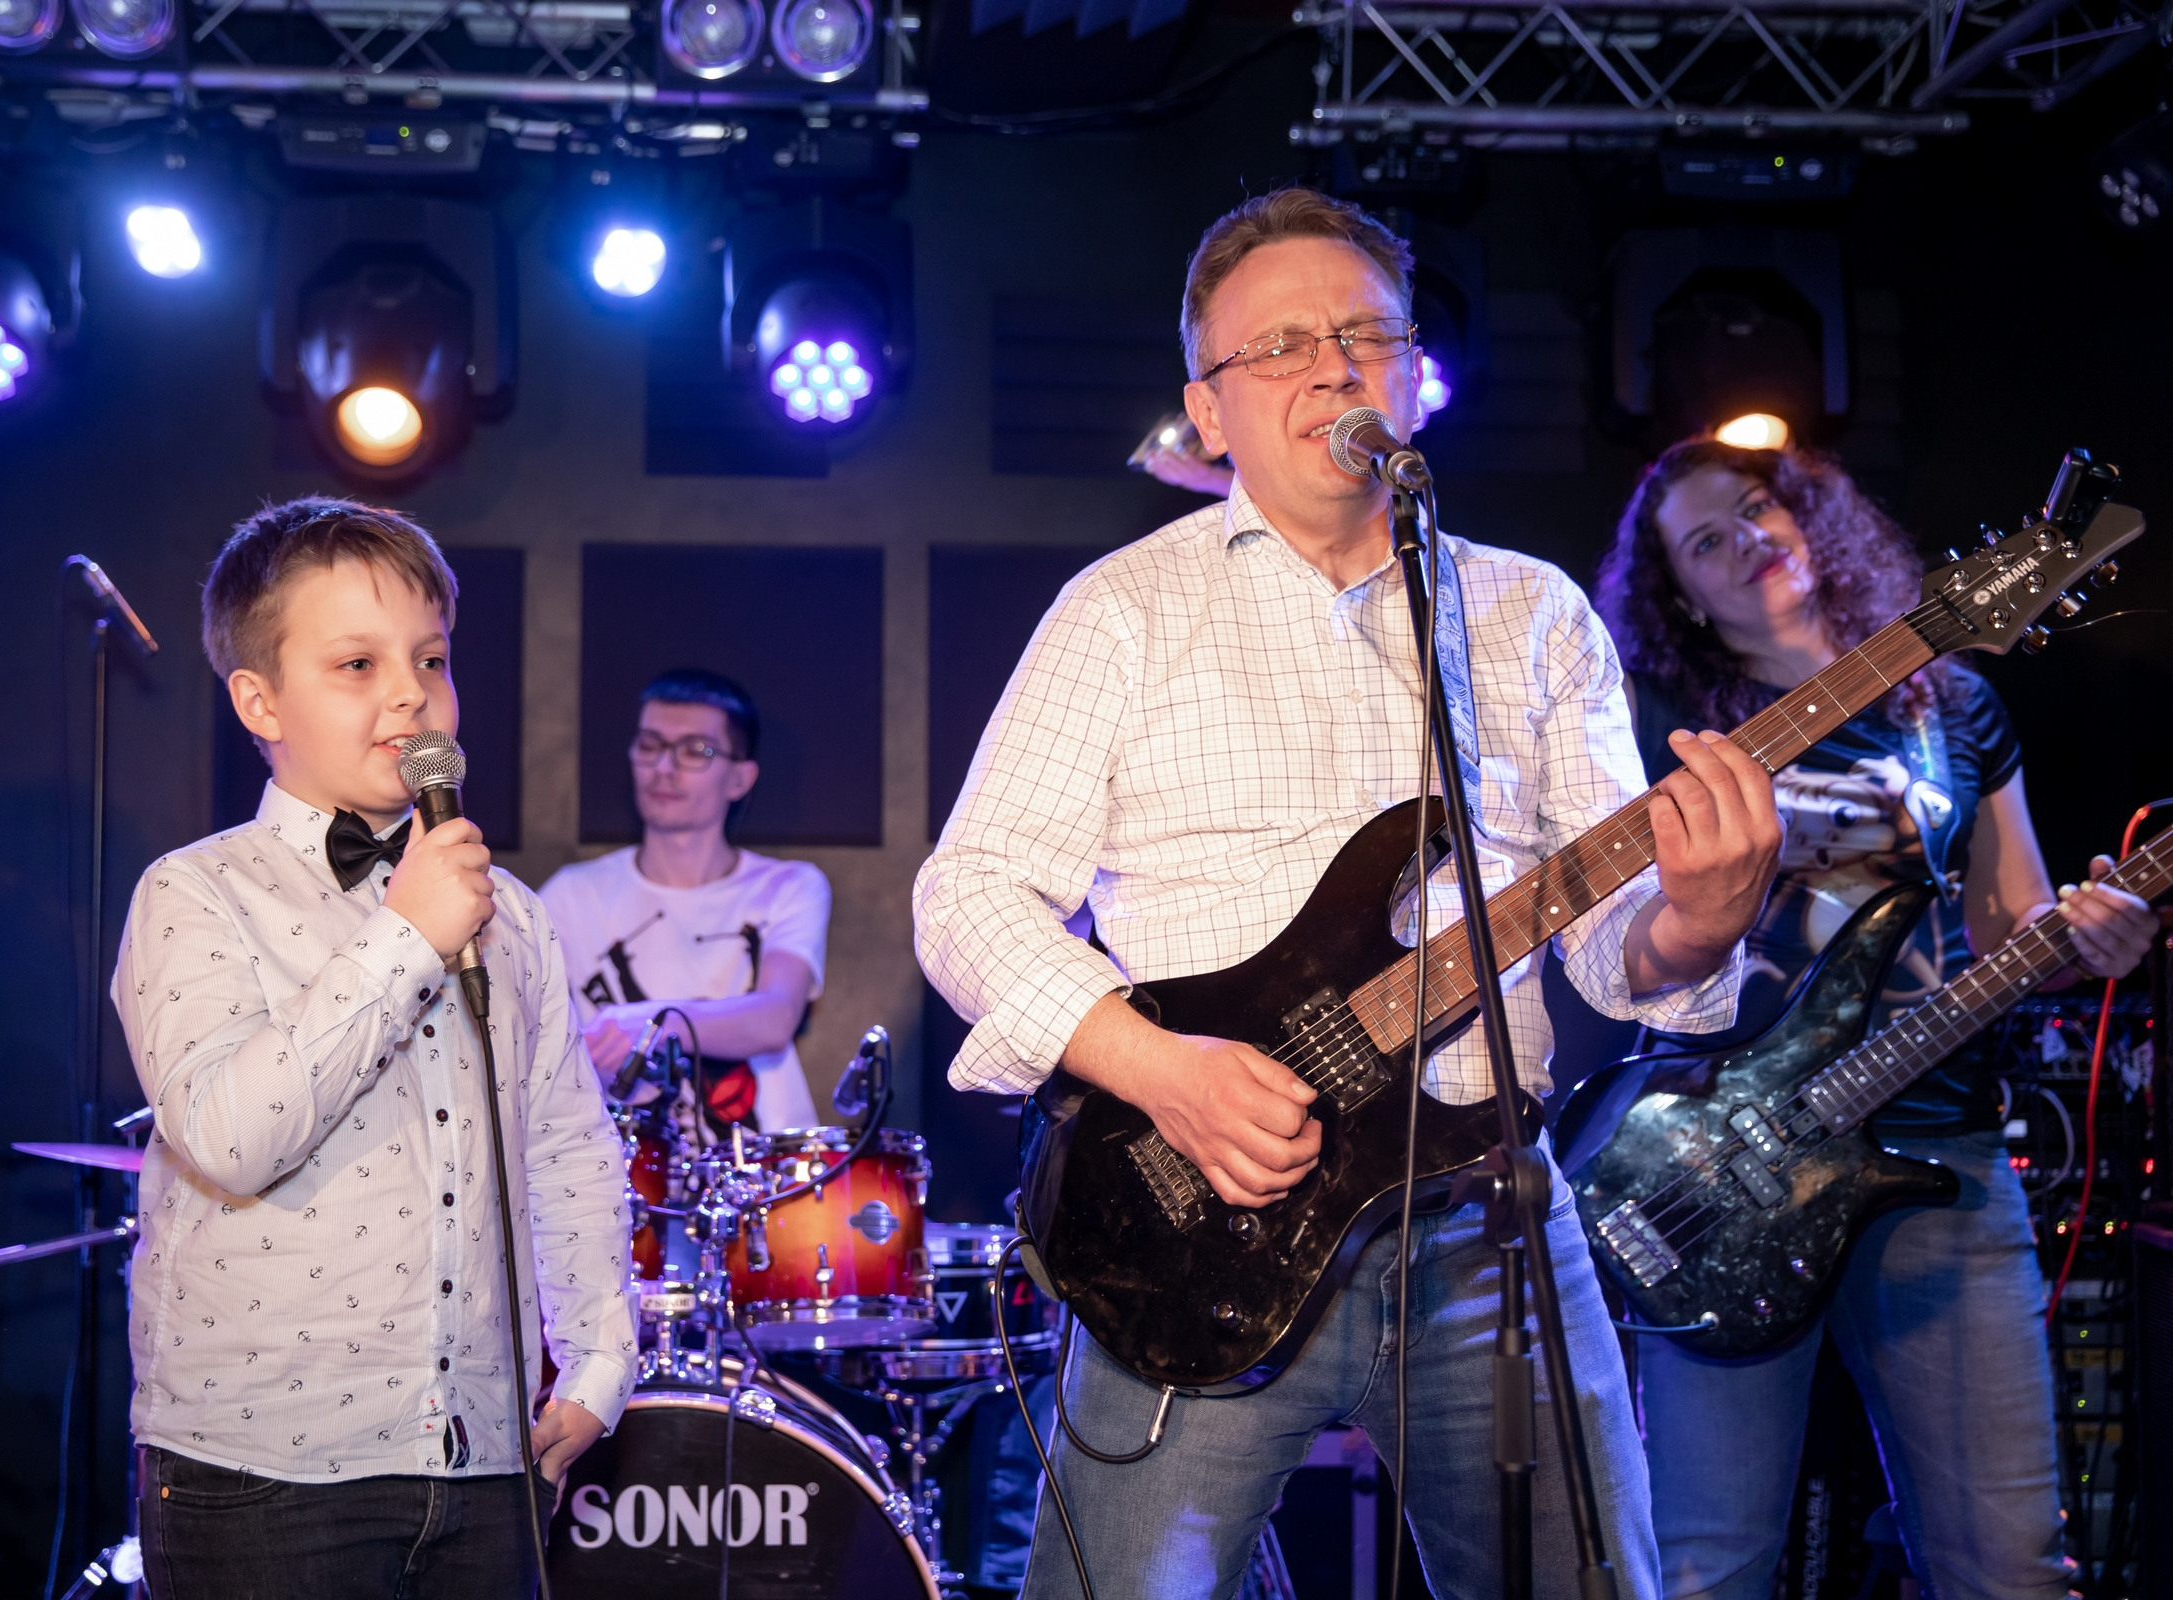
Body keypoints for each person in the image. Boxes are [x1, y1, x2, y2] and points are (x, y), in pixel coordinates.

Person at [914, 186, 1787, 1600]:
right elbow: (967, 900)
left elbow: (1628, 949)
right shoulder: (1120, 611)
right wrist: (1166, 1072)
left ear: (1416, 378)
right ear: (1208, 412)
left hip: (1486, 1221)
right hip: (1201, 1209)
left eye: (1367, 334)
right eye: (1282, 346)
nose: (1333, 364)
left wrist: (1707, 908)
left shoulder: (1528, 613)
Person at [1593, 437, 2156, 1600]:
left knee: (2008, 1569)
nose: (1748, 540)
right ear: (1678, 598)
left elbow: (2011, 928)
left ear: (1807, 518)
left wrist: (2092, 932)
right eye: (1707, 540)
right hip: (1723, 1177)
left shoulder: (1953, 700)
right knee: (1707, 1568)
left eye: (1757, 508)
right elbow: (1619, 957)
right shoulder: (1665, 727)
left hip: (1940, 1163)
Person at [113, 498, 635, 1598]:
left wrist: (598, 1355)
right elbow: (231, 1135)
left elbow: (568, 1146)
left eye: (431, 659)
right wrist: (405, 937)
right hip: (265, 1473)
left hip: (488, 1457)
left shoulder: (517, 916)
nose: (410, 691)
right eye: (357, 662)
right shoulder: (194, 893)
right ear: (260, 700)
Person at [539, 669, 828, 1137]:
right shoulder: (571, 895)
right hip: (622, 1178)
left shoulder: (790, 887)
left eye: (695, 750)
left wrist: (653, 1023)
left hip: (769, 1178)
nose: (664, 768)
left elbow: (776, 1016)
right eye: (650, 745)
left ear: (740, 778)